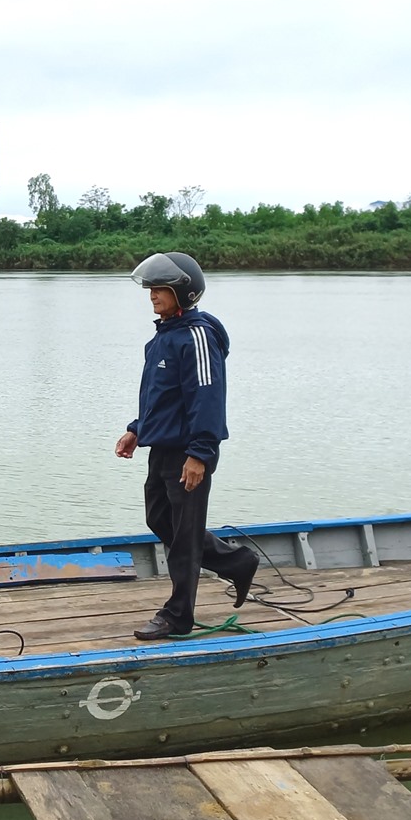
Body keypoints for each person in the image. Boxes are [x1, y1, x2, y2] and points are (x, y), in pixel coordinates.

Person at [113, 252, 258, 640]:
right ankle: (237, 561)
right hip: (161, 446)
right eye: (151, 289)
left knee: (184, 537)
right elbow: (160, 396)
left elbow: (207, 399)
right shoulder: (161, 338)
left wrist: (201, 454)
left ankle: (178, 616)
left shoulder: (198, 337)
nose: (152, 296)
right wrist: (137, 428)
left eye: (160, 289)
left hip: (189, 452)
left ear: (183, 291)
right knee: (160, 521)